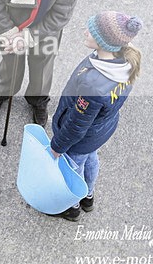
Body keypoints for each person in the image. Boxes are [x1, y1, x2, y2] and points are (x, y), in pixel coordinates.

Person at [48, 11, 143, 221]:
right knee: (90, 158)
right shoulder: (124, 65)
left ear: (104, 42)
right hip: (99, 132)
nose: (85, 33)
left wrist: (57, 146)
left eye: (91, 32)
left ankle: (72, 206)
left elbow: (76, 126)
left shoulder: (94, 85)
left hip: (81, 138)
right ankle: (88, 197)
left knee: (73, 167)